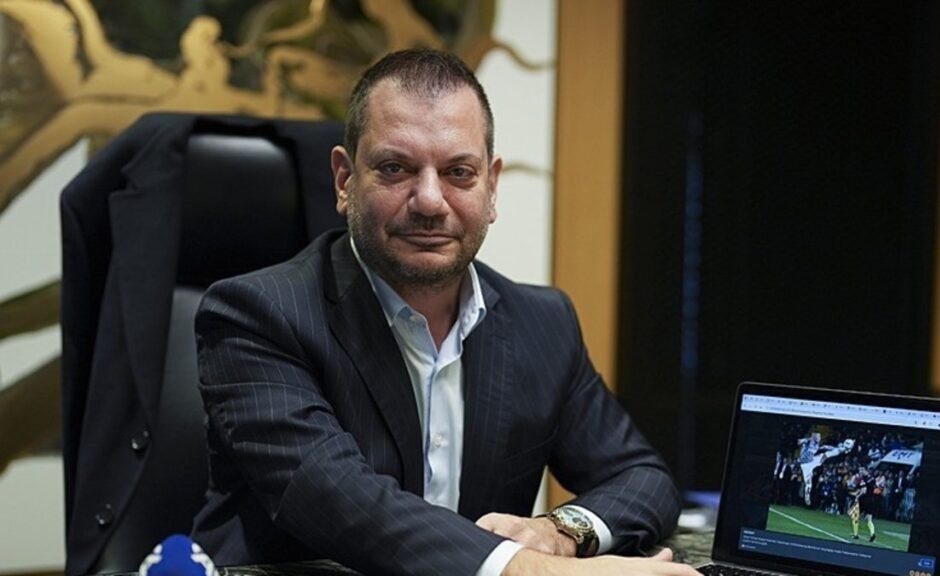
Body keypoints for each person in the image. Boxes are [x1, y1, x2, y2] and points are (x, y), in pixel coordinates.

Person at [190, 49, 695, 576]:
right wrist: (534, 570)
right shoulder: (258, 316)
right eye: (395, 168)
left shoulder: (543, 323)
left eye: (458, 172)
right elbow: (341, 501)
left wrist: (561, 532)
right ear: (344, 180)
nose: (430, 201)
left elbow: (642, 478)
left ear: (491, 187)